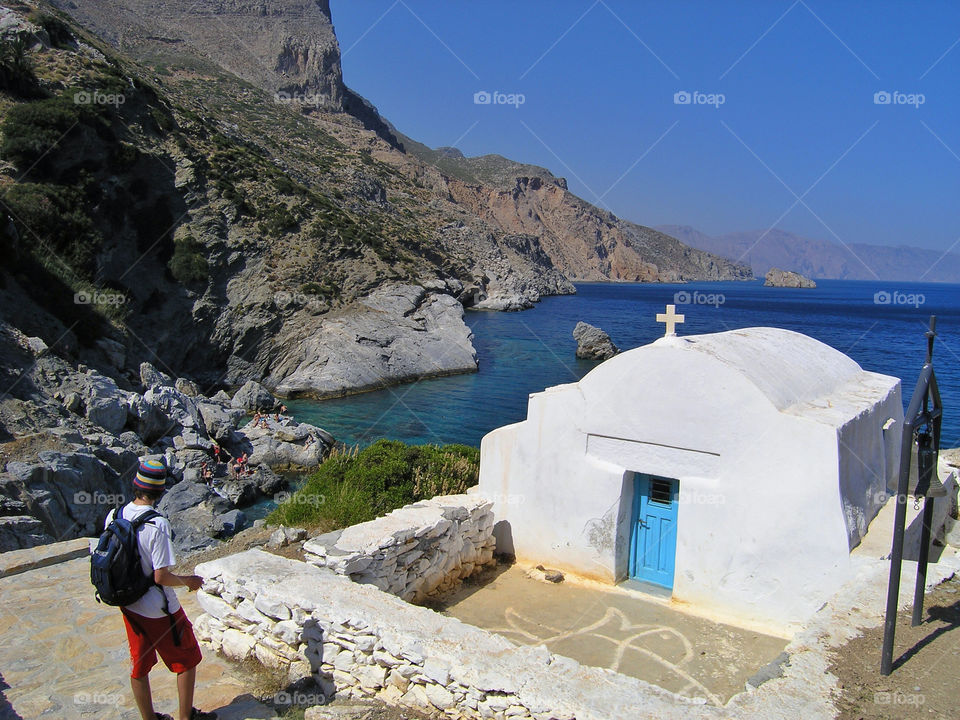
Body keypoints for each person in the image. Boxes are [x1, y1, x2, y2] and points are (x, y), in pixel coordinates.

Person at [105, 459, 216, 720]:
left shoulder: (114, 514)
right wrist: (188, 581)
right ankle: (185, 717)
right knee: (187, 660)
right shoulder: (158, 525)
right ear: (161, 491)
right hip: (159, 608)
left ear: (135, 485)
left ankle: (149, 718)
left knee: (139, 666)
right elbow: (161, 576)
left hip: (129, 603)